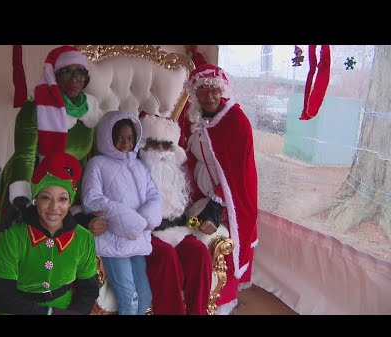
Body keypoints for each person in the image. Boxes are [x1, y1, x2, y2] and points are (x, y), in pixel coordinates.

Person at [179, 64, 258, 315]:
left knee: (209, 236)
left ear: (222, 90)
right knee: (185, 228)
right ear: (195, 93)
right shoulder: (190, 117)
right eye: (203, 90)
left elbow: (237, 173)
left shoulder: (236, 120)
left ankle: (220, 303)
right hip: (200, 196)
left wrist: (217, 202)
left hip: (228, 201)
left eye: (214, 90)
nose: (210, 95)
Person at [0, 45, 100, 233]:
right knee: (27, 243)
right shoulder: (35, 107)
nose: (74, 79)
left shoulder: (90, 110)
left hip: (66, 184)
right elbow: (24, 156)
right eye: (66, 72)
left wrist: (81, 198)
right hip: (32, 179)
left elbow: (82, 159)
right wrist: (22, 200)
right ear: (55, 76)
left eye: (80, 73)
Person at [0, 152, 100, 315]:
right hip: (16, 309)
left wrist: (75, 313)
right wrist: (49, 313)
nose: (54, 207)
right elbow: (1, 297)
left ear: (70, 202)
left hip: (64, 307)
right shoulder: (13, 234)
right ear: (36, 199)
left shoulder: (83, 238)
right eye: (46, 198)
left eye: (62, 199)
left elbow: (88, 290)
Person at [81, 110, 162, 315]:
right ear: (107, 138)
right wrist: (127, 218)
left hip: (138, 241)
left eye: (129, 138)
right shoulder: (97, 164)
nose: (125, 143)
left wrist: (147, 217)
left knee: (144, 295)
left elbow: (153, 194)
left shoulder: (140, 166)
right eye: (118, 139)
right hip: (113, 242)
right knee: (128, 295)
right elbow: (92, 199)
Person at [138, 113, 212, 315]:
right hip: (146, 234)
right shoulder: (134, 171)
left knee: (200, 253)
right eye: (155, 144)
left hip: (177, 230)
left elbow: (197, 203)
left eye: (167, 145)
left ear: (175, 149)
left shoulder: (179, 172)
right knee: (166, 257)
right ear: (143, 146)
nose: (161, 151)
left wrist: (207, 218)